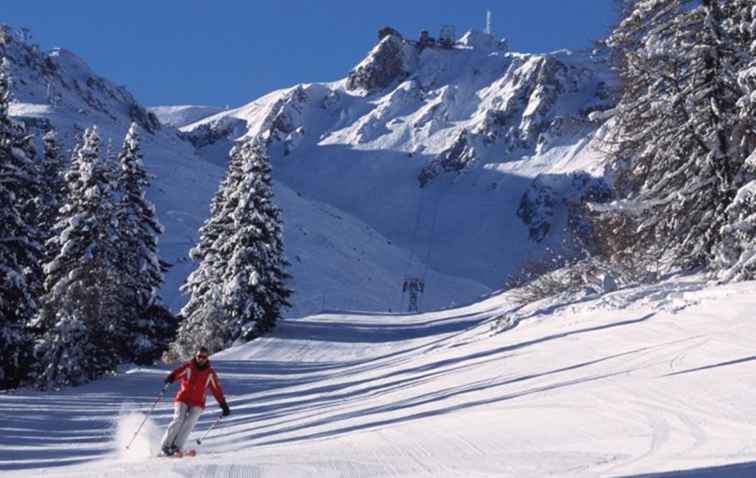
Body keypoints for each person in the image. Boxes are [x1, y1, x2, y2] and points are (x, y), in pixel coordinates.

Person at [160, 346, 231, 456]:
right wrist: (171, 377)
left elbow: (216, 389)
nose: (201, 359)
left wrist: (223, 404)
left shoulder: (210, 373)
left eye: (204, 357)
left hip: (198, 402)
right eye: (199, 356)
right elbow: (178, 372)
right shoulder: (189, 367)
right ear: (195, 356)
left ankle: (176, 446)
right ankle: (166, 445)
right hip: (183, 398)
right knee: (179, 418)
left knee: (190, 421)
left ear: (207, 358)